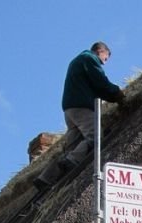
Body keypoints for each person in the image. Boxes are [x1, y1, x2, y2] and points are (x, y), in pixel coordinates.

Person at [34, 41, 125, 190]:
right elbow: (100, 82)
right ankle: (72, 160)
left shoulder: (78, 61)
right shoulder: (89, 59)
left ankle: (45, 178)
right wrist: (116, 94)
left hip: (70, 109)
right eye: (105, 58)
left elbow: (96, 87)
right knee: (96, 137)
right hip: (82, 106)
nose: (104, 63)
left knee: (72, 146)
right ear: (100, 51)